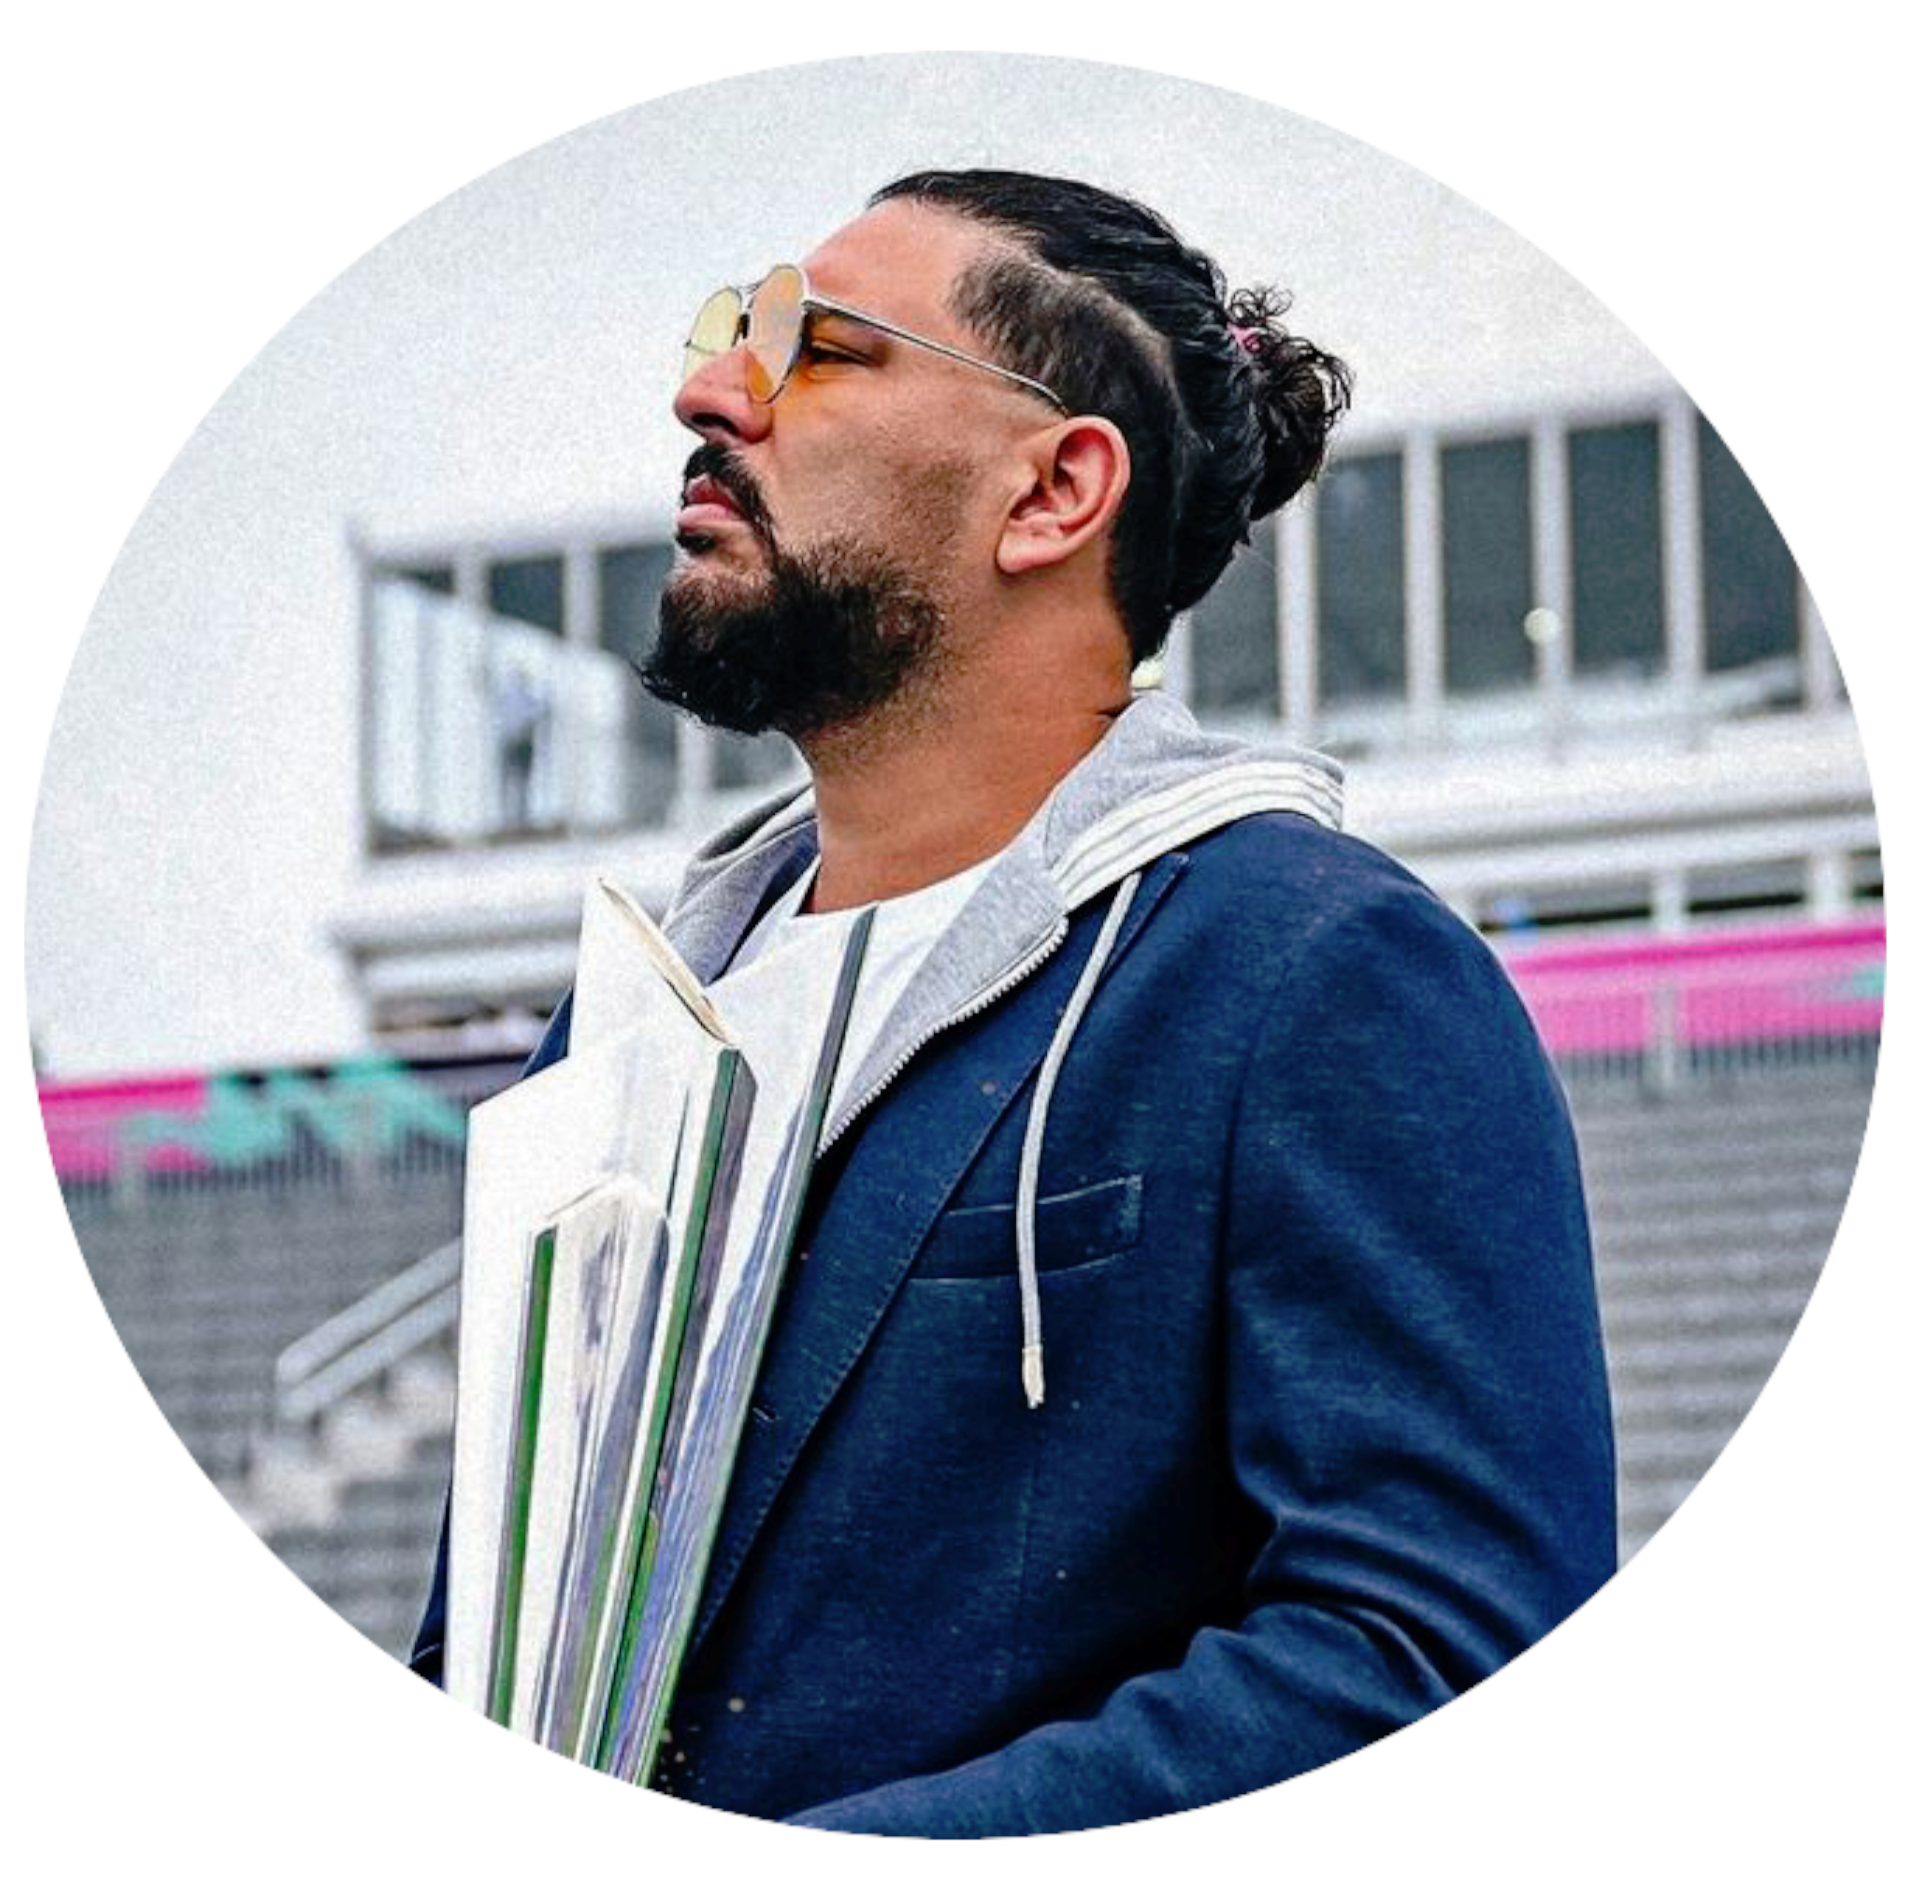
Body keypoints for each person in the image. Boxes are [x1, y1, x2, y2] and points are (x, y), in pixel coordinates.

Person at [410, 168, 1616, 1836]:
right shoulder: (629, 1024)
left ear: (1053, 491)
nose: (710, 394)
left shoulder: (1309, 970)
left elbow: (1437, 1658)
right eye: (730, 332)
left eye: (820, 347)